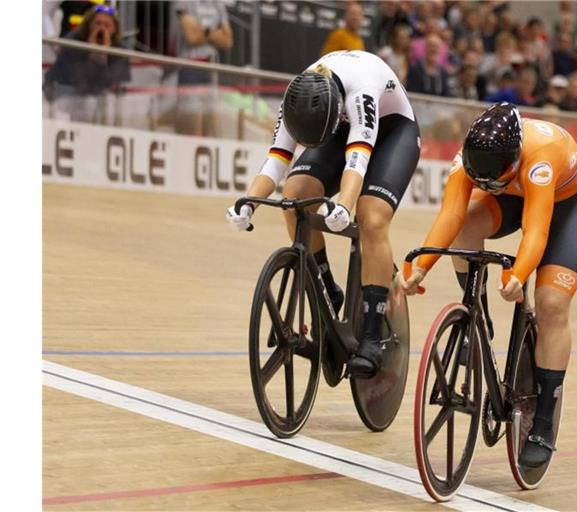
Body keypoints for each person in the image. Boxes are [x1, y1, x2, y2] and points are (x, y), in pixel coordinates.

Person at [402, 102, 577, 469]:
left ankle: (543, 422)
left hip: (566, 204)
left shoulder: (540, 157)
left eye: (494, 179)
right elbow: (451, 215)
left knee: (551, 302)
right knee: (465, 228)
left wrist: (519, 275)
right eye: (481, 179)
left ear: (513, 160)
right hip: (511, 195)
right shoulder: (468, 159)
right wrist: (421, 267)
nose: (485, 184)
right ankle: (478, 320)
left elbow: (536, 231)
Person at [227, 51, 420, 379]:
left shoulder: (362, 91)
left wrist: (345, 203)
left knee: (371, 217)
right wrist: (248, 202)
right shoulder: (297, 96)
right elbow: (277, 158)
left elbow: (357, 159)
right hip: (339, 129)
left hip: (392, 133)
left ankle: (371, 335)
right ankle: (327, 286)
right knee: (295, 197)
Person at [44, 4, 130, 123]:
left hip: (97, 97)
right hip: (63, 92)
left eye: (107, 25)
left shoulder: (120, 50)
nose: (101, 29)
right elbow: (79, 82)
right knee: (86, 101)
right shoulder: (74, 41)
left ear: (114, 29)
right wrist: (92, 52)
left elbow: (113, 83)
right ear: (89, 25)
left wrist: (102, 56)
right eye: (98, 23)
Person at [172, 1, 232, 136]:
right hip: (191, 67)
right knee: (193, 130)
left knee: (212, 129)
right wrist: (215, 33)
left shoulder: (218, 4)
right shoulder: (184, 3)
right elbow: (191, 37)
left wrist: (203, 31)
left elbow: (227, 40)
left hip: (212, 69)